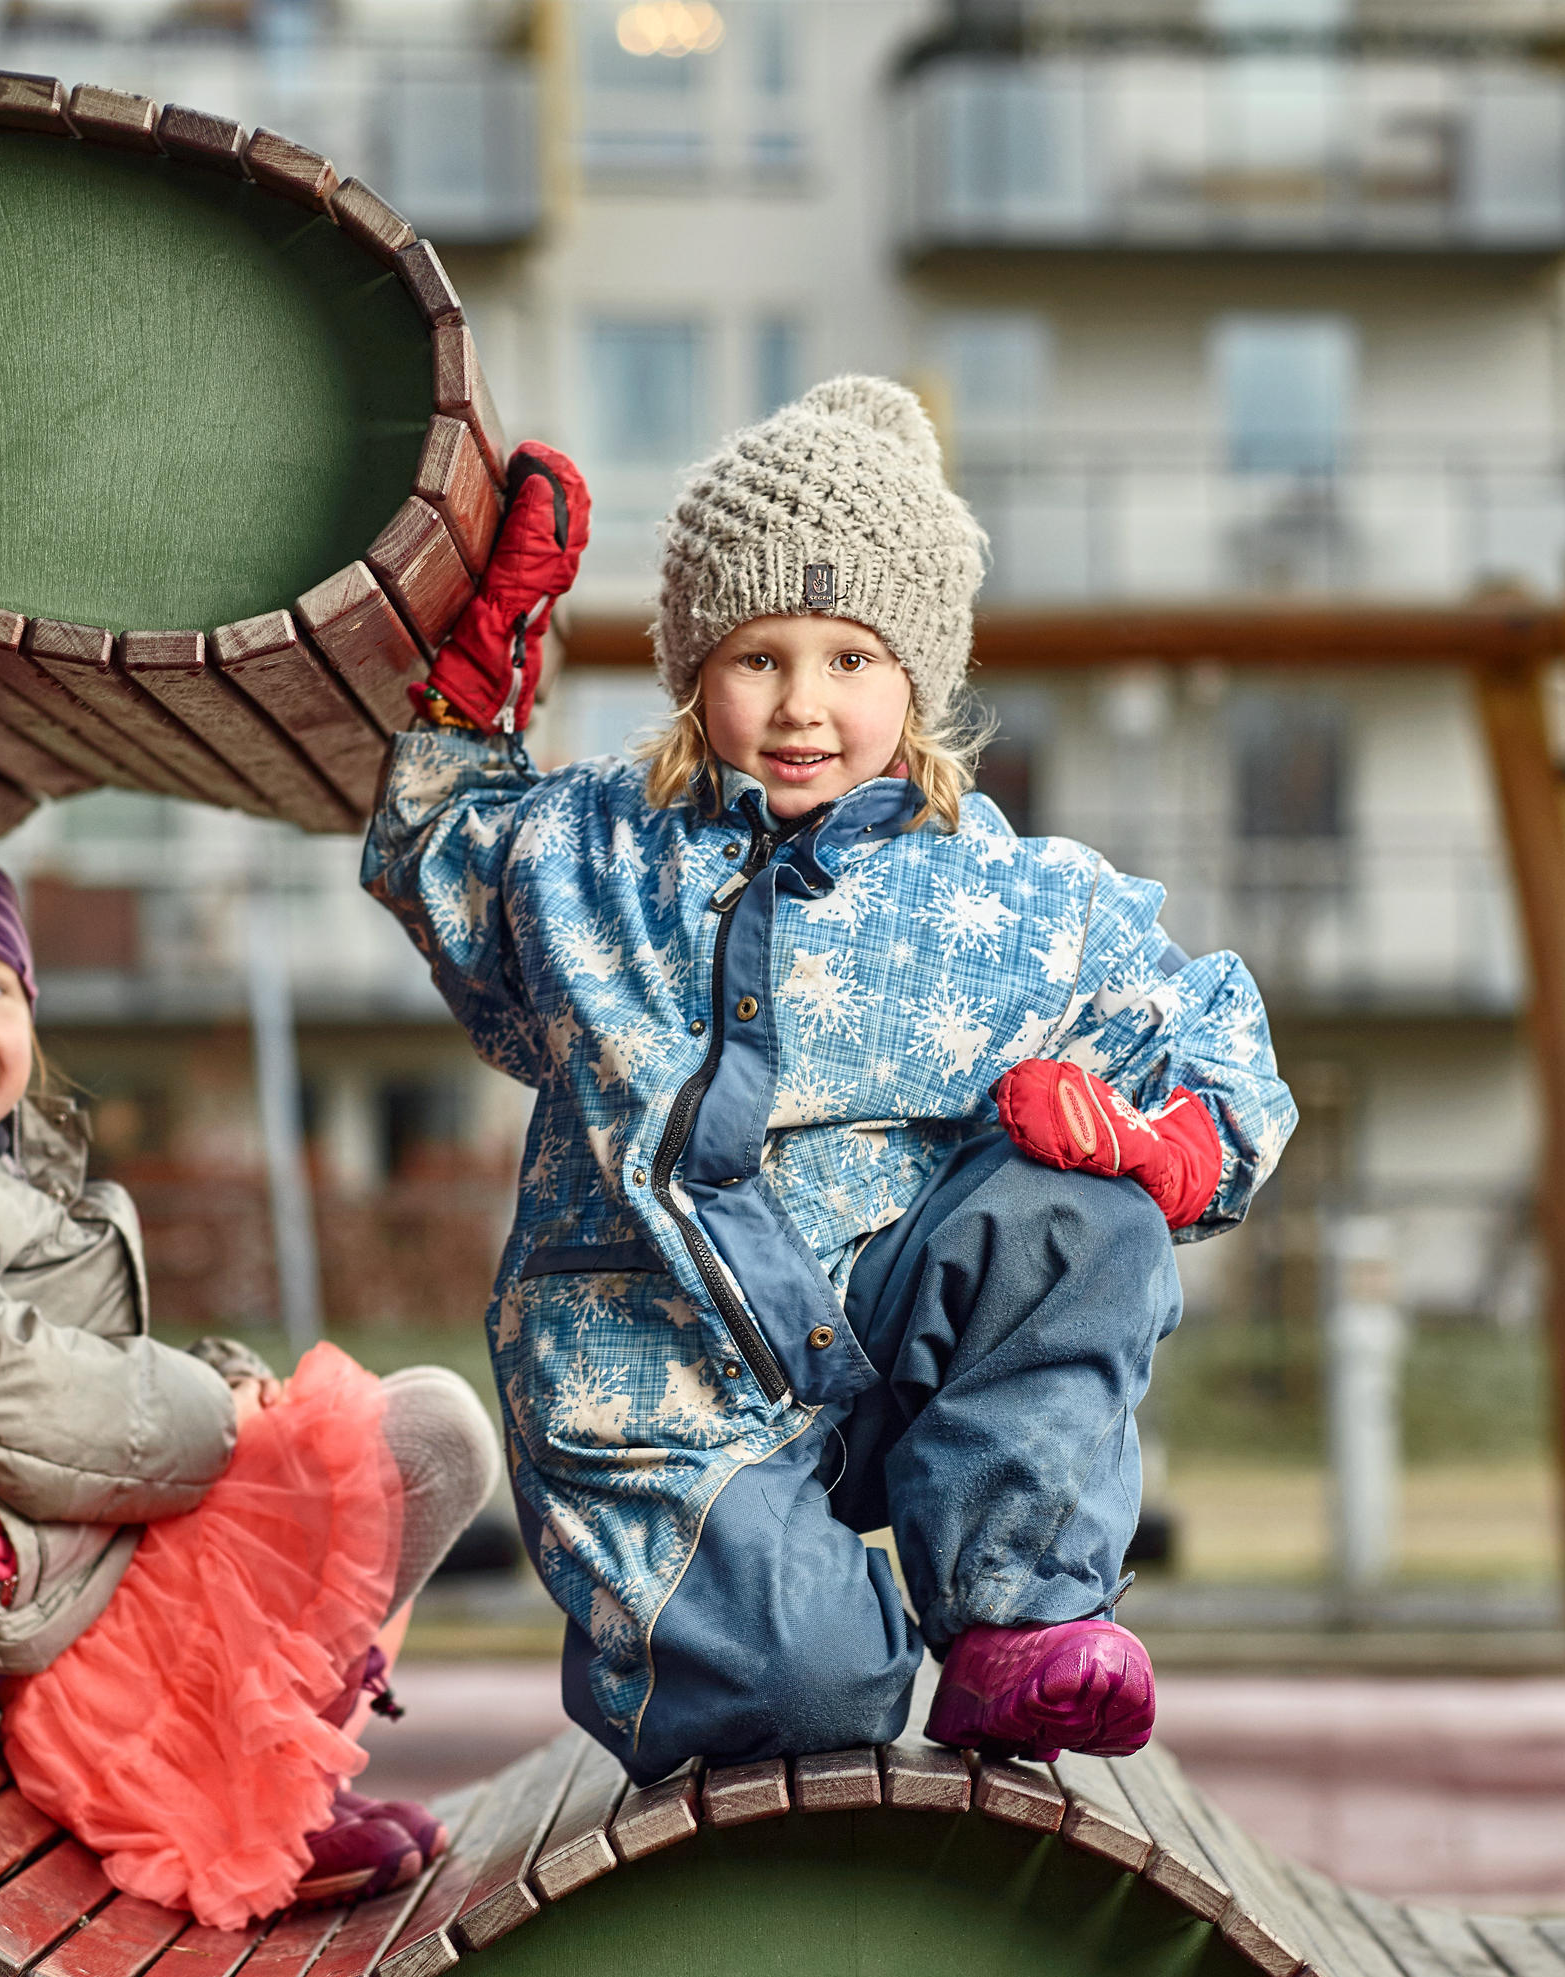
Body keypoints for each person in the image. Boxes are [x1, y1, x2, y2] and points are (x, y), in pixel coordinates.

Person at [365, 377, 1296, 1780]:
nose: (804, 705)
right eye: (759, 656)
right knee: (809, 1700)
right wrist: (474, 677)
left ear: (916, 674)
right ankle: (803, 1637)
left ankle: (1013, 1622)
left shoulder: (1005, 895)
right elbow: (447, 856)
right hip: (655, 1379)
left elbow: (1211, 1032)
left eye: (852, 657)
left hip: (893, 1340)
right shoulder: (591, 859)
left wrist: (1167, 1145)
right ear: (694, 667)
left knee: (1076, 1212)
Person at [0, 842, 497, 1928]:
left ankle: (279, 1781)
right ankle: (250, 1787)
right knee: (422, 1435)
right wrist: (212, 1416)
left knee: (409, 1436)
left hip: (81, 1546)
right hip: (55, 1596)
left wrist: (215, 1384)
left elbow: (44, 1363)